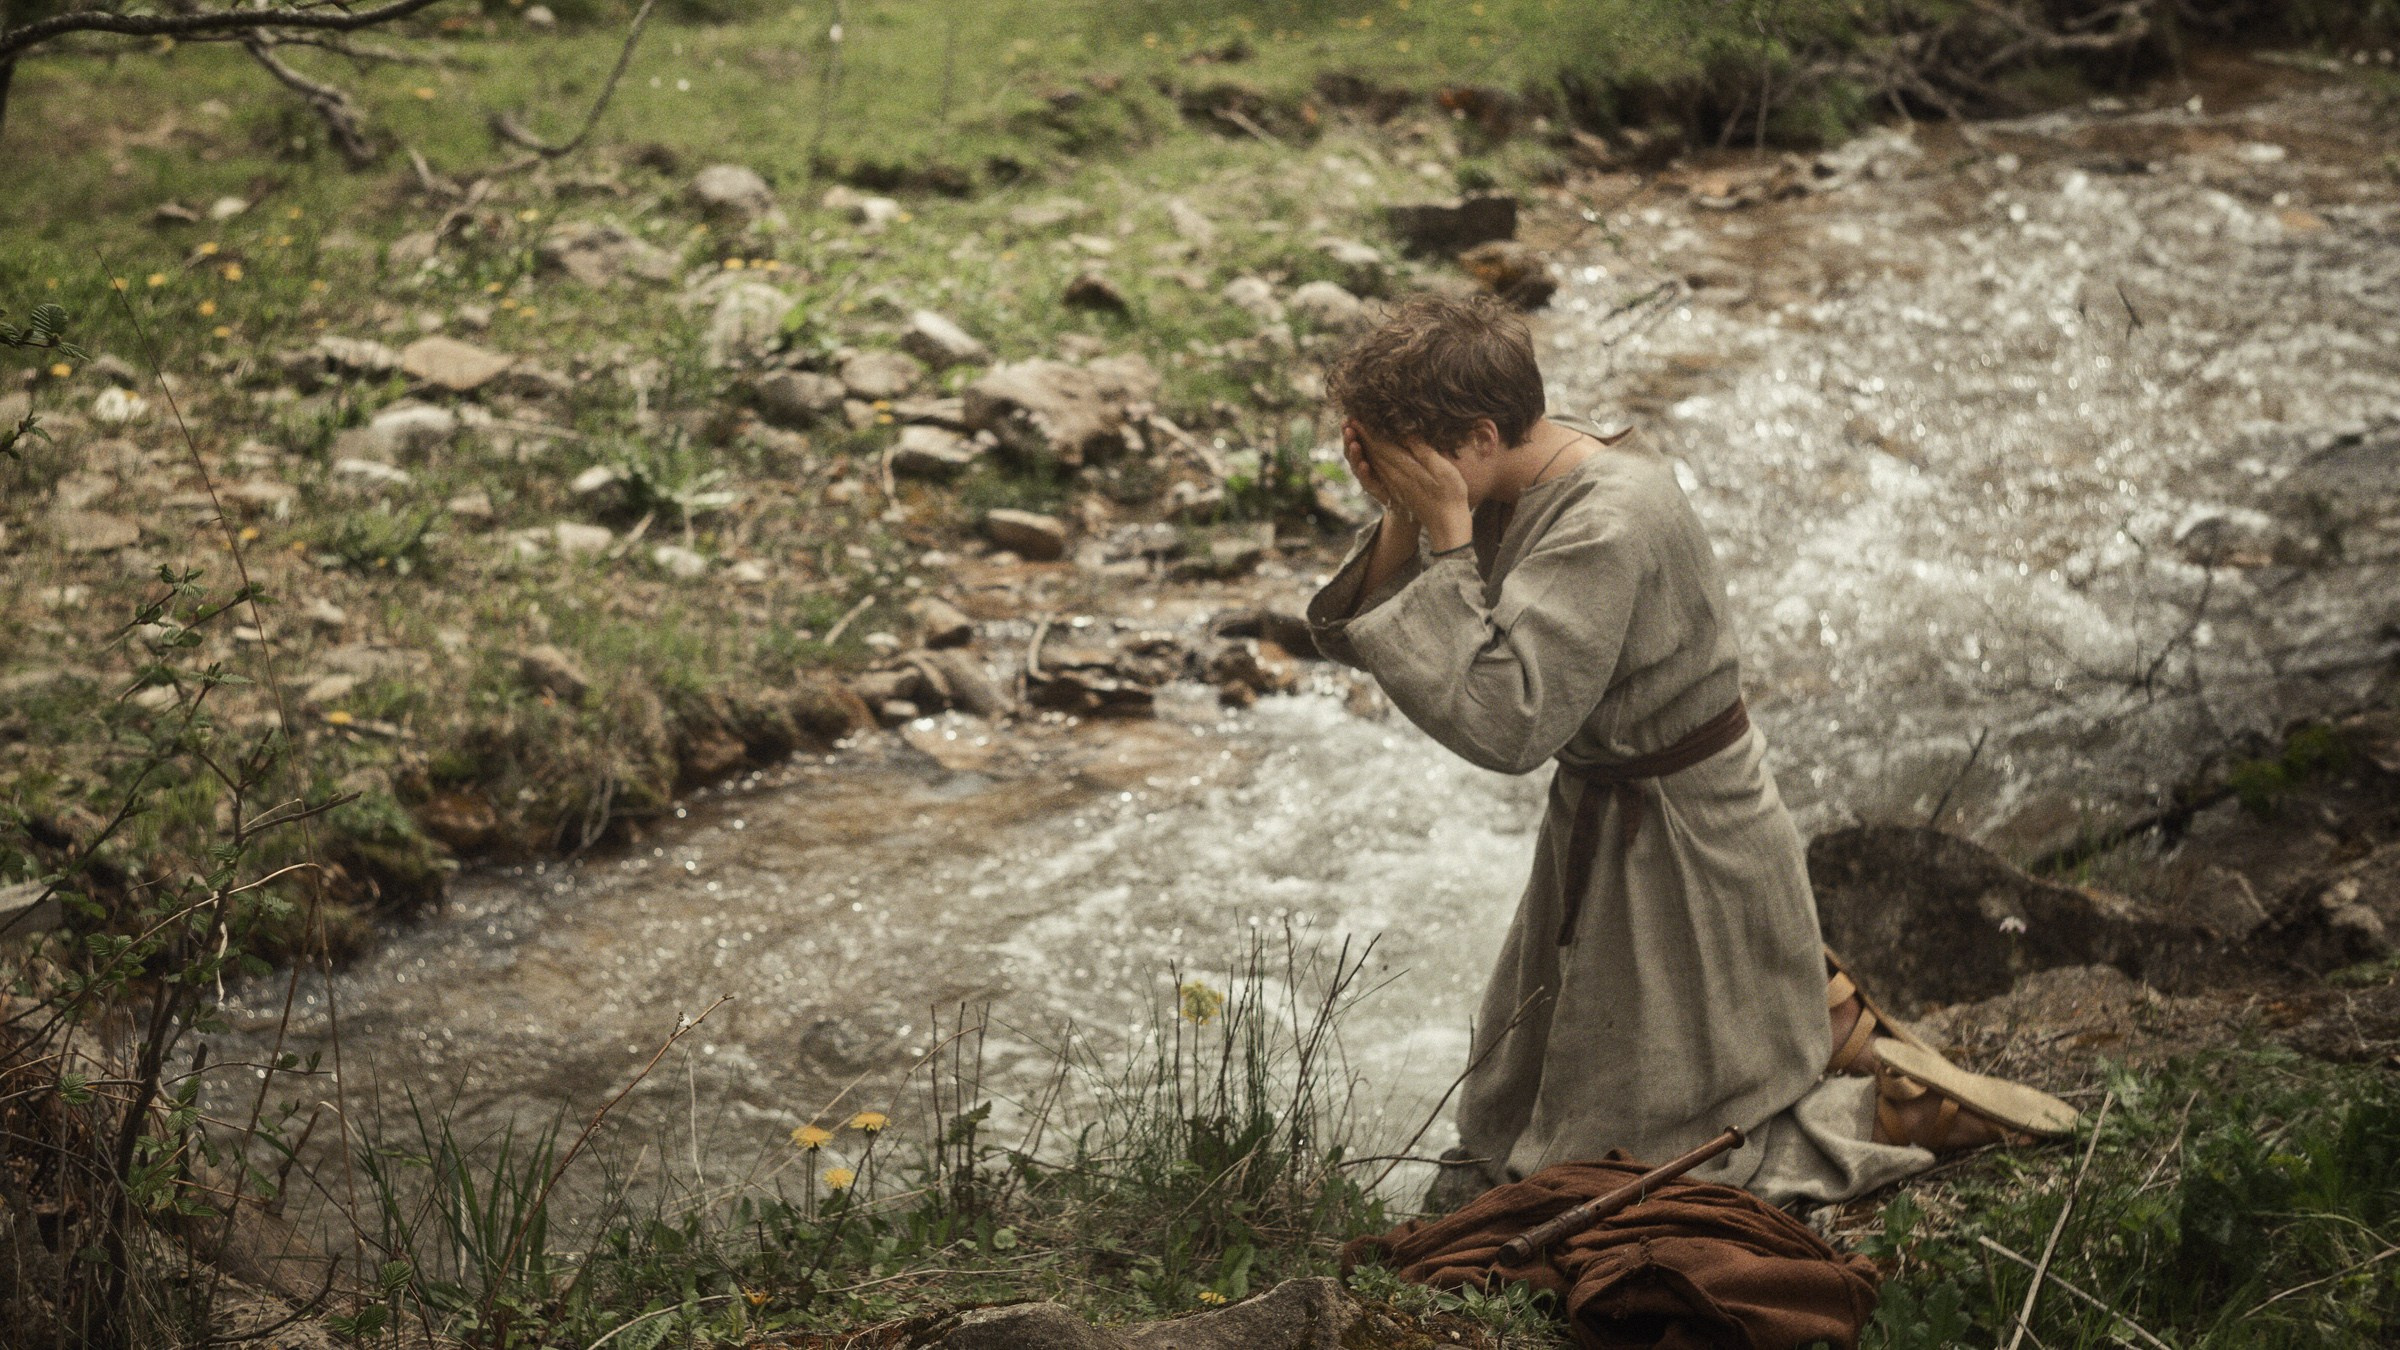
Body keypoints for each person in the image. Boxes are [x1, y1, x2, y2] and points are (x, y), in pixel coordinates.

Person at [1306, 292, 2075, 1210]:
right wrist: (1405, 511)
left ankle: (1887, 1113)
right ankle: (1815, 1018)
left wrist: (1442, 533)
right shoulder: (1522, 472)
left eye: (1412, 457)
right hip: (1611, 812)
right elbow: (1394, 630)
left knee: (1653, 1147)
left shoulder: (1609, 517)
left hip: (1683, 835)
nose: (1403, 476)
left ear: (1478, 437)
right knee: (1528, 1108)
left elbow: (1507, 722)